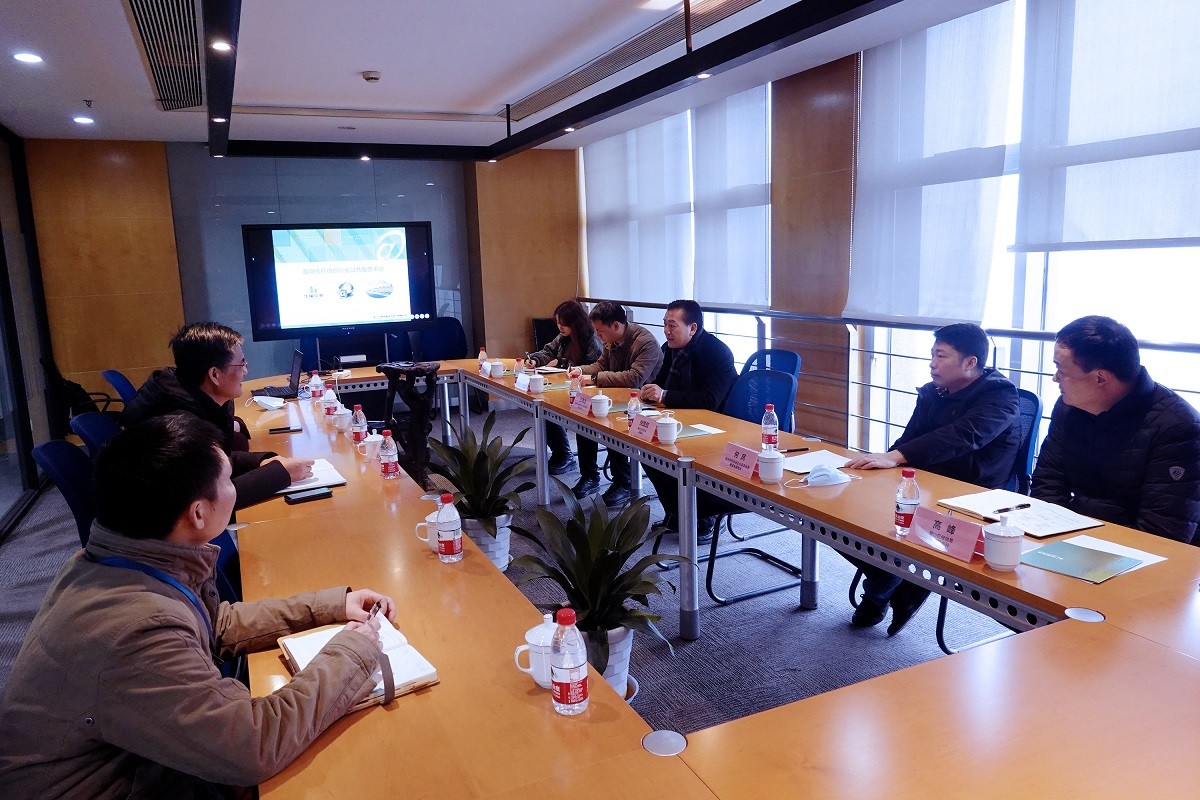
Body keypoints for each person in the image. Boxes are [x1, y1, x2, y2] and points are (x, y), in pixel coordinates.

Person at [0, 414, 394, 798]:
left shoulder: (113, 562)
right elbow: (252, 745)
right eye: (227, 481)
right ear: (198, 512)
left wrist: (331, 605)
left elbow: (213, 623)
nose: (235, 488)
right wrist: (354, 651)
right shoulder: (136, 632)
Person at [844, 323, 1020, 635]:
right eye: (932, 355)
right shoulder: (934, 392)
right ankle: (890, 577)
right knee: (843, 512)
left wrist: (898, 456)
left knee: (881, 525)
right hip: (925, 481)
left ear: (970, 362)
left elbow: (963, 436)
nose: (932, 364)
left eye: (941, 356)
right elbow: (908, 441)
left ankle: (886, 582)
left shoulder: (1000, 396)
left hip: (971, 493)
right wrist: (885, 460)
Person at [1032, 315, 1200, 544]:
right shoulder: (1069, 406)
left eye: (1061, 370)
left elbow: (1162, 534)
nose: (1055, 378)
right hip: (1073, 539)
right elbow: (1047, 482)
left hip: (1138, 553)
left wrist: (1080, 544)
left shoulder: (1177, 427)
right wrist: (1054, 537)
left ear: (1101, 378)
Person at [123, 322, 312, 509]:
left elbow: (213, 461)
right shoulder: (180, 427)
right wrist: (281, 474)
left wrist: (263, 461)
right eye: (242, 364)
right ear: (214, 375)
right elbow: (208, 501)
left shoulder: (194, 401)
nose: (246, 371)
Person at [641, 300, 738, 543]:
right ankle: (677, 511)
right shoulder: (670, 348)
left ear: (692, 328)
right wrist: (649, 391)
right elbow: (661, 383)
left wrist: (664, 395)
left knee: (675, 454)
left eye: (672, 325)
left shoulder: (716, 352)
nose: (666, 331)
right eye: (664, 324)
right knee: (647, 449)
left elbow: (709, 401)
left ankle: (704, 518)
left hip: (718, 425)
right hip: (682, 418)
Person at [569, 301, 663, 507]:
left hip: (645, 403)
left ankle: (624, 482)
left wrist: (596, 379)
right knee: (584, 415)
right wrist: (581, 370)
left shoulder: (645, 342)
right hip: (620, 399)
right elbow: (601, 365)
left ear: (615, 326)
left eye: (600, 330)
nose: (597, 335)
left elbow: (635, 378)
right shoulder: (612, 339)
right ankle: (589, 476)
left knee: (611, 424)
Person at [524, 300, 603, 498]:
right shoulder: (563, 337)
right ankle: (562, 455)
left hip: (588, 393)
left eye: (564, 323)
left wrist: (562, 362)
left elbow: (595, 367)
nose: (560, 327)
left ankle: (590, 476)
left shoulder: (591, 340)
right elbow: (547, 352)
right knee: (545, 409)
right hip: (565, 388)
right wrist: (535, 359)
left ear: (575, 323)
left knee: (584, 427)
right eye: (558, 323)